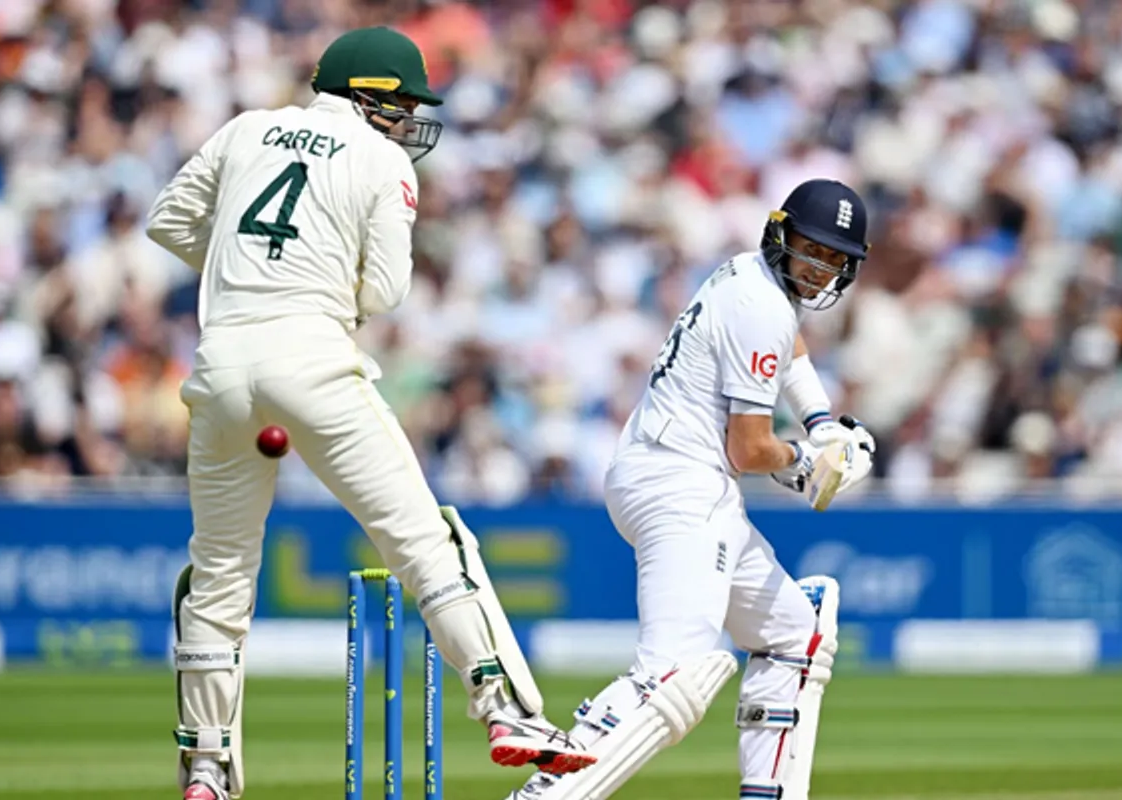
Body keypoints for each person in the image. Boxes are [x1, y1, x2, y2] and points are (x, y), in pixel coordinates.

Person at [145, 26, 594, 800]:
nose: (409, 123)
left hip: (220, 366)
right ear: (369, 97)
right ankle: (506, 711)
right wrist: (312, 283)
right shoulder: (380, 159)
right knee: (425, 541)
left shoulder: (246, 127)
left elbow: (169, 221)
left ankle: (208, 770)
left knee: (219, 576)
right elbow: (384, 291)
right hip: (313, 356)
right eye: (403, 105)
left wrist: (252, 270)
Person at [502, 179, 878, 800]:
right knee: (674, 674)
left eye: (836, 260)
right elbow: (749, 449)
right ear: (781, 235)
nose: (819, 271)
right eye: (812, 250)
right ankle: (546, 794)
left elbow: (789, 342)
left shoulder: (749, 277)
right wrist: (804, 461)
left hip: (669, 475)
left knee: (796, 634)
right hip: (683, 485)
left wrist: (821, 422)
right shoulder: (762, 305)